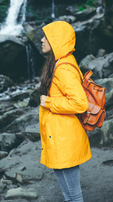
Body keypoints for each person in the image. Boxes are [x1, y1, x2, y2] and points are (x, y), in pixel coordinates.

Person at [39, 21, 92, 202]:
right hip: (59, 136)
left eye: (46, 36)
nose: (41, 40)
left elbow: (80, 104)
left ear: (57, 40)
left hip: (64, 137)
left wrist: (49, 102)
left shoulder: (63, 68)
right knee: (69, 195)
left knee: (73, 197)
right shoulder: (60, 62)